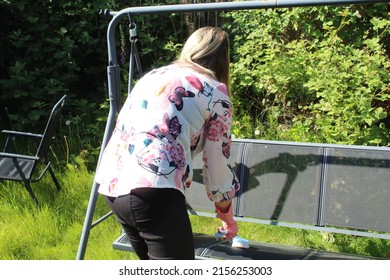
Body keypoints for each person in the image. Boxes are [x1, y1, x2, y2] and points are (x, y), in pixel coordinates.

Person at [94, 26, 240, 260]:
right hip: (154, 190)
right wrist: (226, 215)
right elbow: (216, 163)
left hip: (113, 184)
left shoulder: (154, 75)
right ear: (223, 59)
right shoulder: (216, 92)